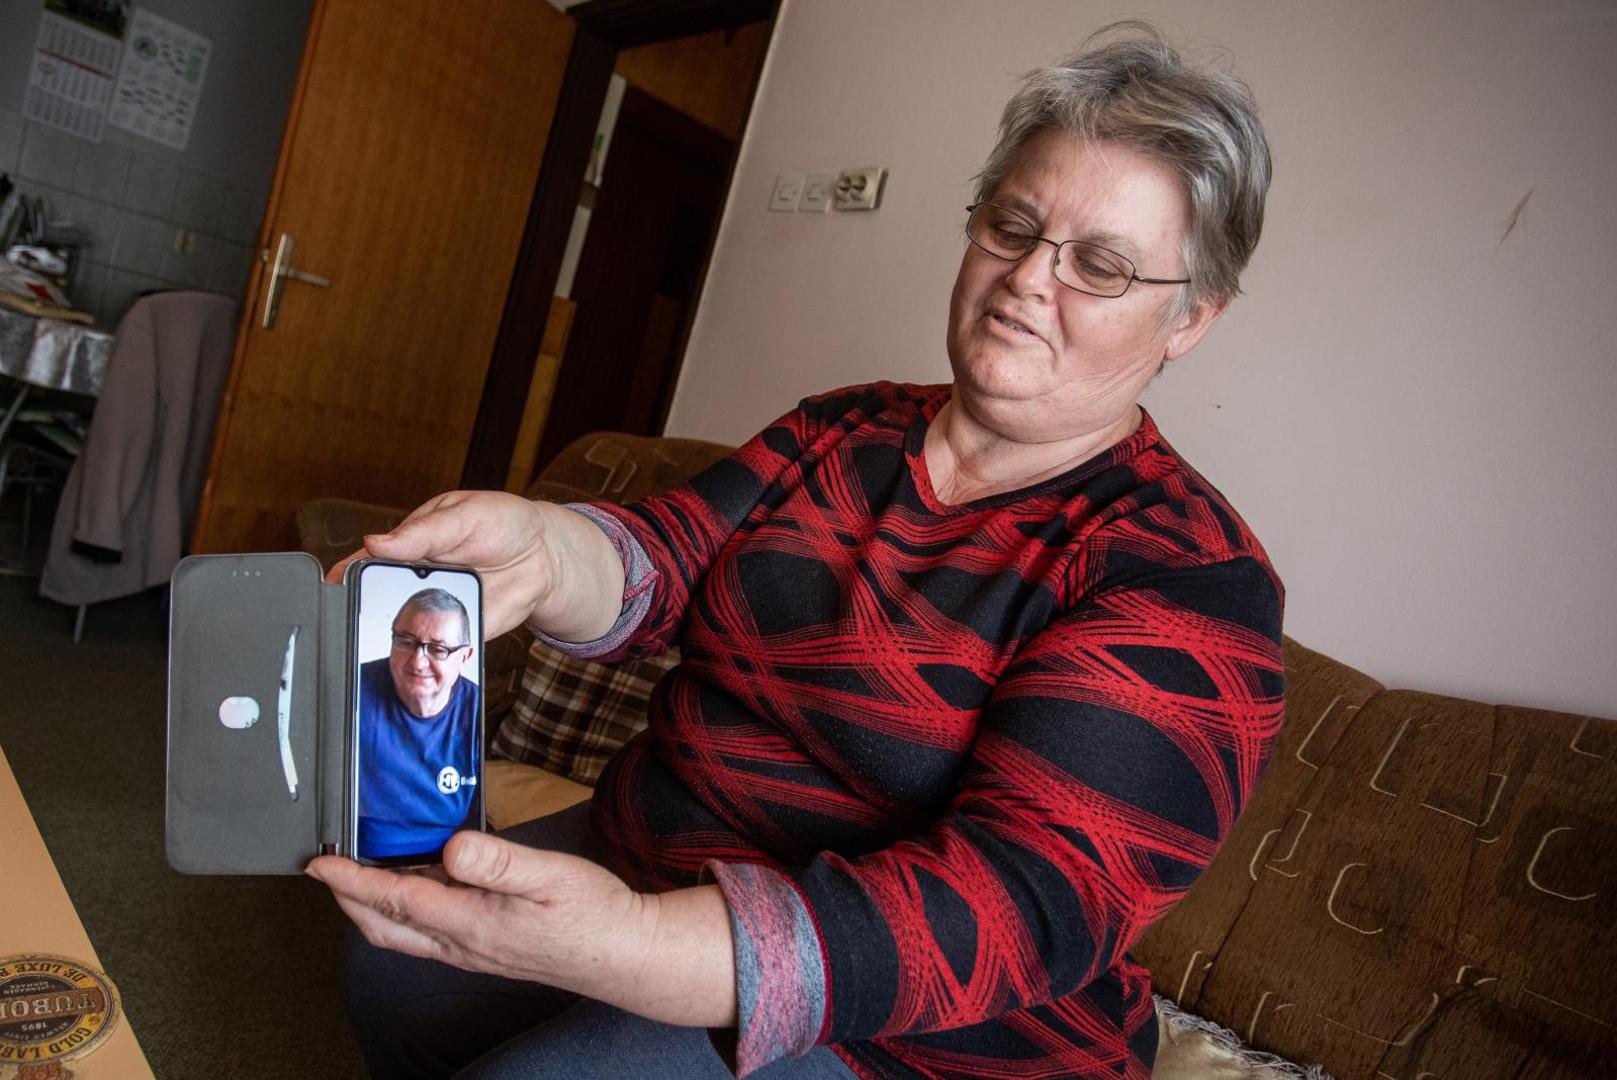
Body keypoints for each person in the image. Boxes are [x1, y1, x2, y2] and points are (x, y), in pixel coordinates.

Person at [307, 22, 1284, 1080]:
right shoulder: (845, 426)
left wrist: (635, 946)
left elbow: (1021, 900)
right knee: (390, 970)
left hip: (914, 1034)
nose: (1026, 281)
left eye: (1100, 264)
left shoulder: (1186, 573)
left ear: (1191, 317)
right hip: (650, 853)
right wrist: (543, 546)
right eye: (1012, 225)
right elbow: (663, 558)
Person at [355, 587, 480, 860]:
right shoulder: (352, 689)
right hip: (360, 859)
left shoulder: (478, 710)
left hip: (450, 863)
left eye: (438, 649)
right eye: (406, 641)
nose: (418, 662)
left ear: (465, 657)